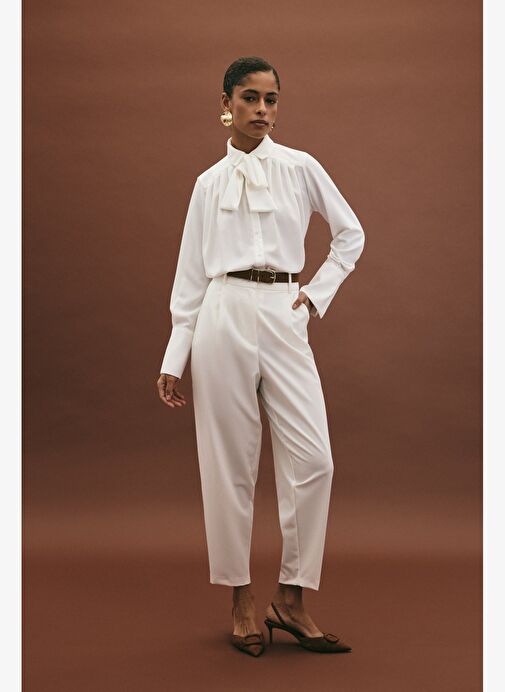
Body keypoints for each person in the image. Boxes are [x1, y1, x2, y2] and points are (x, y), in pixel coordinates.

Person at [157, 56, 365, 657]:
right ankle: (241, 599)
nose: (262, 110)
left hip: (283, 310)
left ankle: (291, 598)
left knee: (315, 460)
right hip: (222, 312)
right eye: (249, 98)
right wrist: (175, 354)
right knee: (228, 461)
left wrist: (314, 296)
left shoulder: (300, 167)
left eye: (271, 99)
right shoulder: (208, 184)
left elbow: (351, 234)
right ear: (226, 103)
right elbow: (190, 276)